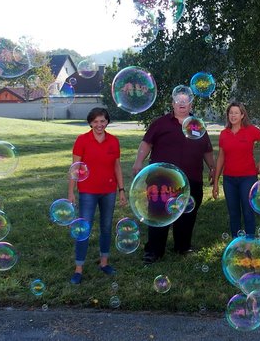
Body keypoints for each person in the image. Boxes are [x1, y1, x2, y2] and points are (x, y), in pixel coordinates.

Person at [133, 86, 215, 264]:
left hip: (191, 178)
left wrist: (212, 167)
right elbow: (146, 143)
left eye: (186, 101)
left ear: (191, 105)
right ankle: (154, 251)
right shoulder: (160, 123)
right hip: (161, 178)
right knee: (158, 213)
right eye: (179, 101)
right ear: (173, 104)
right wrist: (138, 161)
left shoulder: (197, 125)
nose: (182, 104)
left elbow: (207, 149)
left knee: (187, 215)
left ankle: (183, 247)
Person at [68, 107, 126, 284]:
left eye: (102, 121)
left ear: (107, 121)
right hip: (87, 192)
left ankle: (104, 263)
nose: (99, 124)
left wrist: (121, 190)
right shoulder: (82, 140)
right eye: (95, 121)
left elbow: (117, 166)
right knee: (83, 229)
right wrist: (71, 191)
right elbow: (75, 169)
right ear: (90, 122)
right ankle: (79, 269)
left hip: (108, 191)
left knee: (106, 227)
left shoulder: (114, 141)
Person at [212, 102, 260, 238]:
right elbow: (221, 158)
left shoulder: (251, 130)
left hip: (248, 178)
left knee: (248, 211)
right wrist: (216, 182)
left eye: (236, 113)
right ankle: (237, 245)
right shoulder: (224, 134)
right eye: (231, 113)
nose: (233, 115)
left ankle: (250, 242)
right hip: (229, 180)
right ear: (228, 115)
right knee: (233, 212)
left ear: (242, 115)